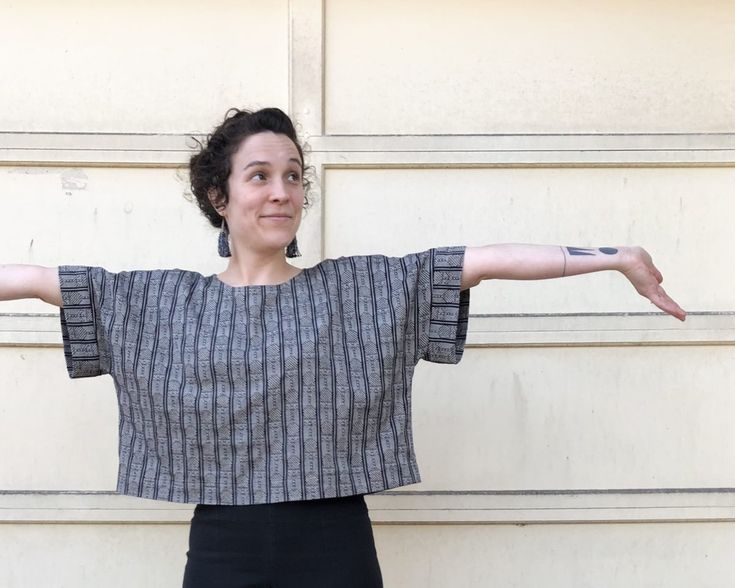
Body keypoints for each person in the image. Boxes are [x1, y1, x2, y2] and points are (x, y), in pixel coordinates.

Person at [0, 107, 685, 588]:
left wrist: (613, 256)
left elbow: (482, 260)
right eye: (260, 175)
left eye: (294, 176)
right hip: (221, 545)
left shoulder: (359, 289)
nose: (281, 191)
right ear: (219, 195)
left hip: (336, 543)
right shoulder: (163, 300)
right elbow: (31, 279)